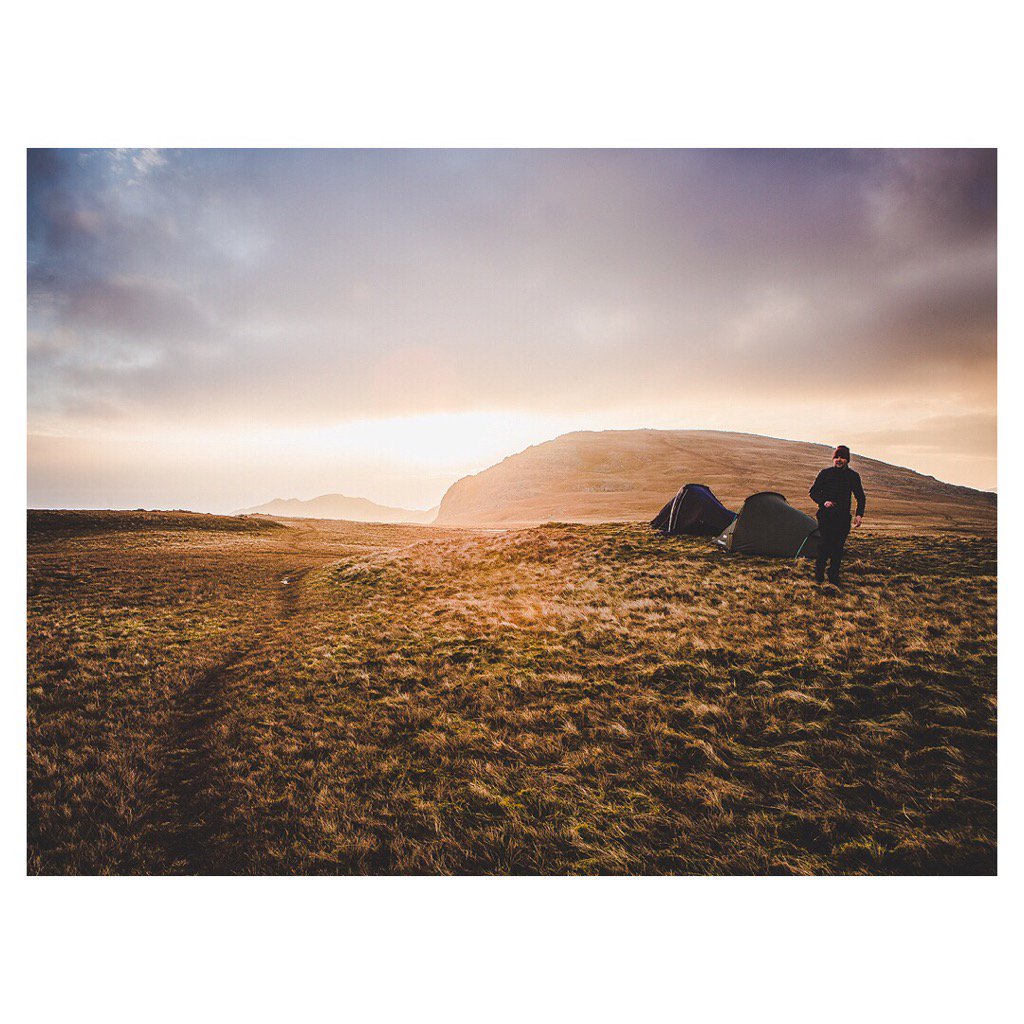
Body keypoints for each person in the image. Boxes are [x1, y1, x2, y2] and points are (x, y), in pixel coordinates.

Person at [809, 445, 865, 586]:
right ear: (833, 459)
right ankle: (819, 575)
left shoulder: (853, 476)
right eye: (837, 457)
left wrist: (859, 515)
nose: (839, 460)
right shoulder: (825, 474)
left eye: (842, 457)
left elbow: (860, 497)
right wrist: (824, 502)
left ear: (847, 460)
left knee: (838, 547)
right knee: (825, 544)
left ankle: (833, 576)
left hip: (843, 517)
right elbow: (813, 492)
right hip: (826, 516)